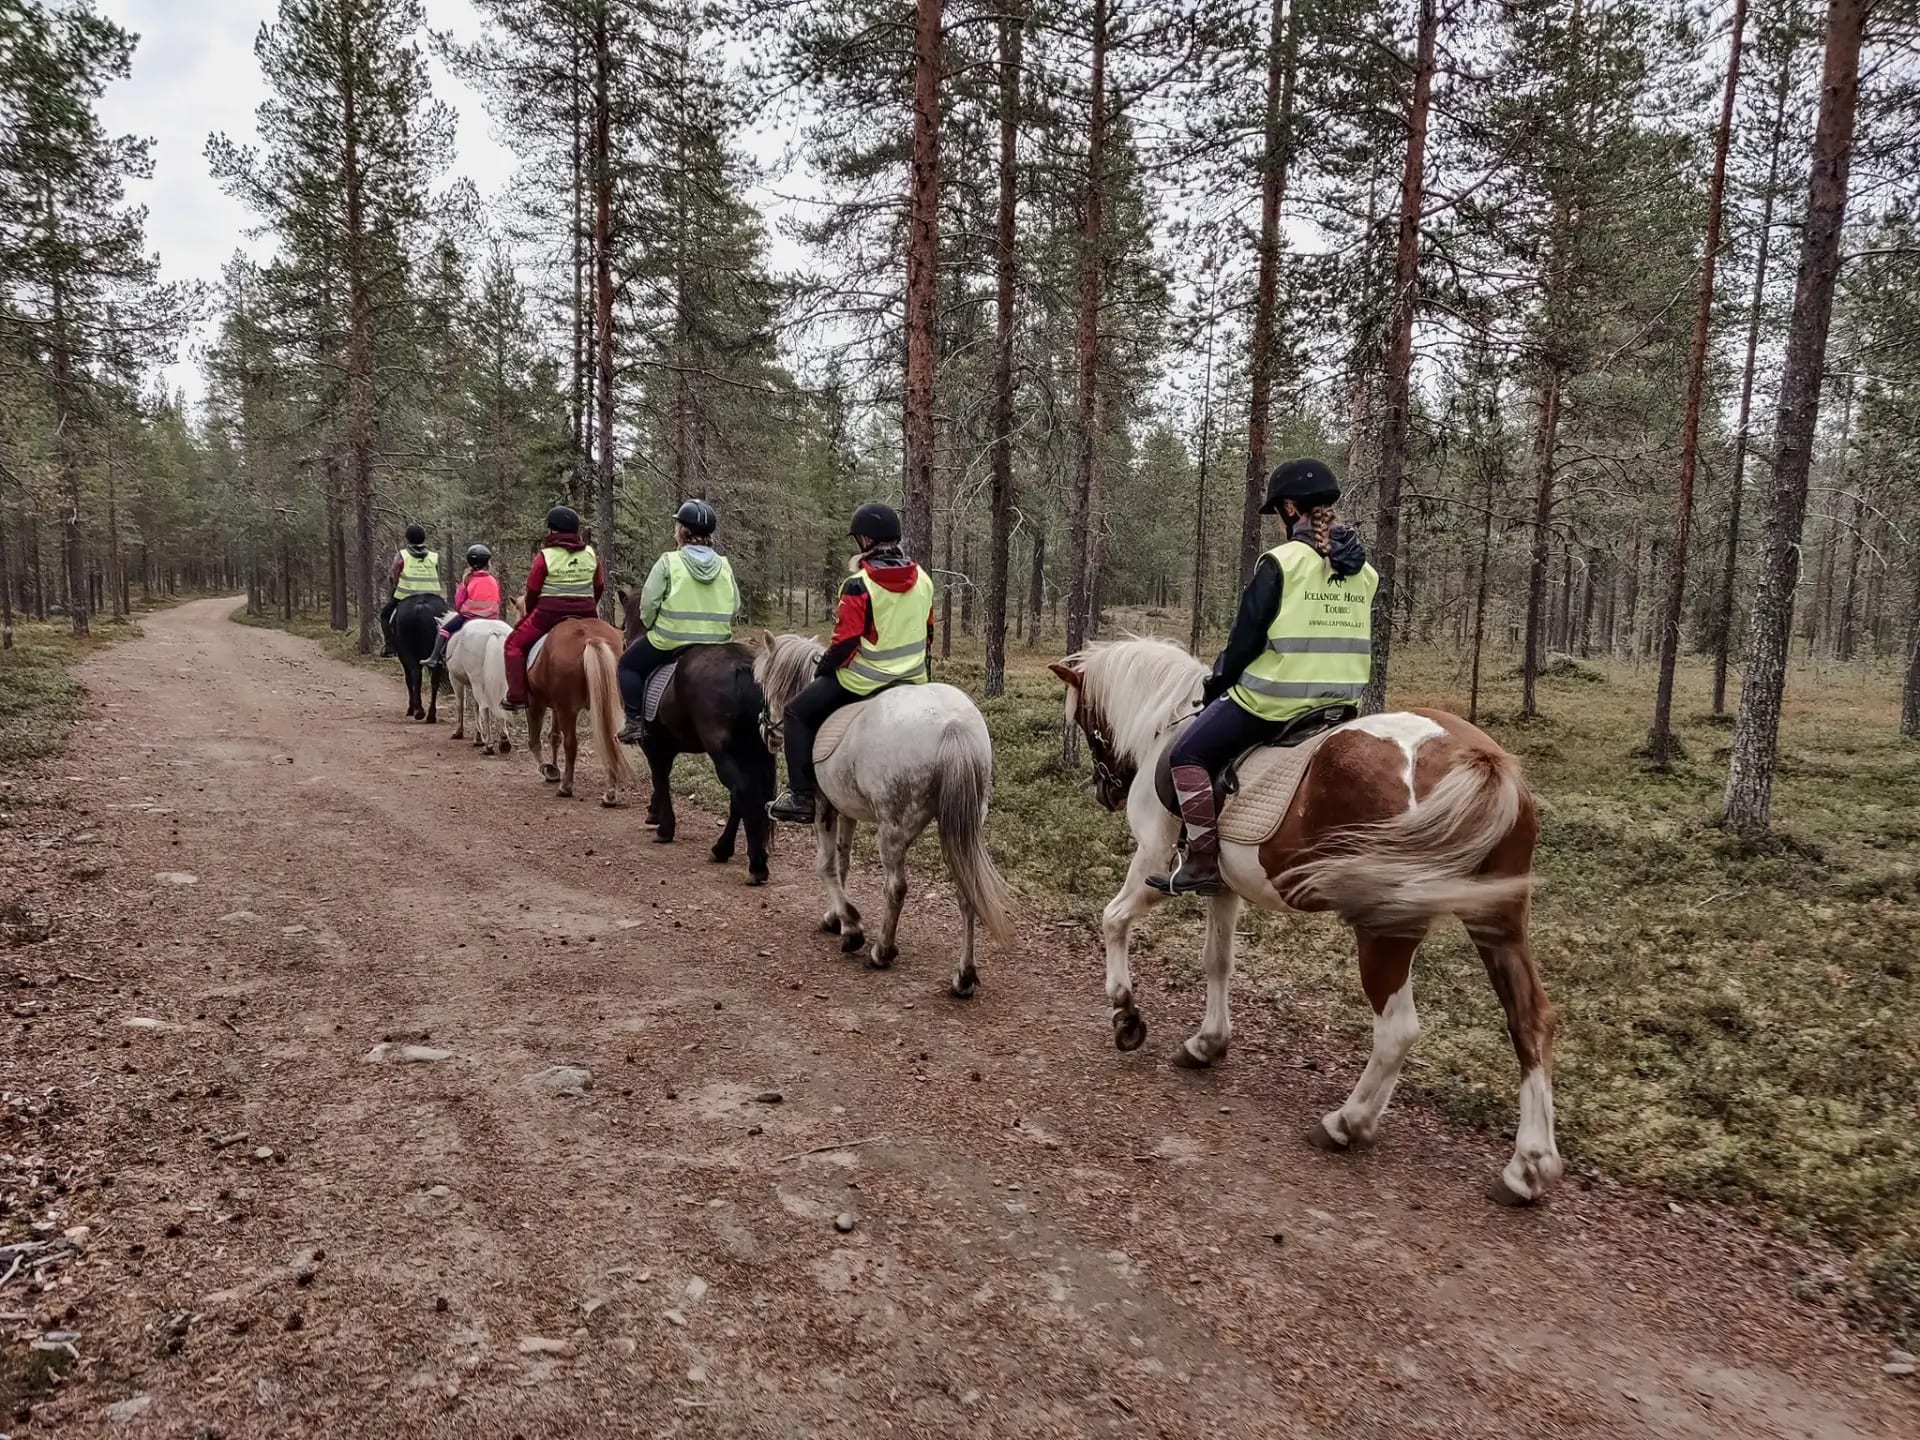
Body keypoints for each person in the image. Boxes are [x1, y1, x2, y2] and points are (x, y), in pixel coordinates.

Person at [1149, 457, 1377, 896]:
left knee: (1188, 755)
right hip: (1341, 704)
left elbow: (1245, 642)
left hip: (1274, 703)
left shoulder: (1281, 562)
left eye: (1277, 512)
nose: (1277, 520)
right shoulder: (1363, 572)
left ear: (1290, 509)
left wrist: (1218, 685)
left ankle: (1201, 861)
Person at [768, 502, 934, 825]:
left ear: (866, 541)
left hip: (862, 683)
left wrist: (824, 666)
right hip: (913, 682)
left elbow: (845, 643)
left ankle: (800, 796)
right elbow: (927, 634)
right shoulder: (924, 580)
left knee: (794, 713)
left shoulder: (858, 584)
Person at [616, 499, 740, 745]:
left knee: (627, 665)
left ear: (683, 532)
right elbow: (735, 605)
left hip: (671, 639)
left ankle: (633, 722)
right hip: (717, 642)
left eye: (677, 526)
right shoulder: (724, 565)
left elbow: (648, 604)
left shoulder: (669, 562)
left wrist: (650, 625)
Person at [502, 505, 605, 711]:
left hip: (549, 613)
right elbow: (599, 586)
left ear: (552, 530)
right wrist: (589, 605)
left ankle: (517, 696)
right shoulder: (591, 554)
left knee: (512, 645)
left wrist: (530, 612)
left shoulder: (545, 556)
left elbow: (532, 590)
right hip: (586, 612)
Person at [423, 544, 501, 671]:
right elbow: (497, 599)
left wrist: (461, 609)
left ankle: (434, 658)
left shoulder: (468, 579)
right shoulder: (493, 579)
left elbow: (459, 600)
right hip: (492, 618)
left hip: (469, 616)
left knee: (445, 629)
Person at [380, 524, 440, 656]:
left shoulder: (402, 555)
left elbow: (393, 577)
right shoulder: (433, 556)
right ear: (423, 539)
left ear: (408, 539)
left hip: (405, 596)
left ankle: (390, 646)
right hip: (432, 597)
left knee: (384, 615)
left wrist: (393, 590)